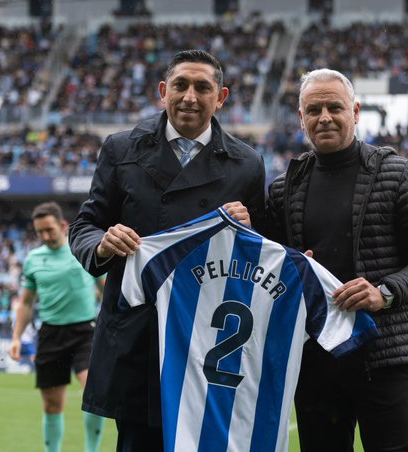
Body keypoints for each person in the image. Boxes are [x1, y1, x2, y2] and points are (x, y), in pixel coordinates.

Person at [68, 49, 266, 451]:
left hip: (209, 345)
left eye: (202, 88)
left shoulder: (247, 164)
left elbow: (262, 256)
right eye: (180, 85)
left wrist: (251, 230)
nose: (190, 96)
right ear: (163, 91)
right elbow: (84, 226)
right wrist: (103, 244)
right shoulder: (121, 149)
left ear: (221, 97)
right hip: (139, 339)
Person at [265, 68, 408, 452]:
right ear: (301, 118)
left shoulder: (400, 174)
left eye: (334, 107)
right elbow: (269, 265)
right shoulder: (285, 188)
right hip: (317, 356)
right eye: (313, 110)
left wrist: (384, 293)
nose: (324, 117)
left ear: (355, 111)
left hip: (384, 354)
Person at [9, 201, 105, 452]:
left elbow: (107, 290)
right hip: (51, 334)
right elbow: (26, 303)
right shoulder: (33, 260)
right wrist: (16, 337)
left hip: (86, 331)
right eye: (39, 231)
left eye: (49, 230)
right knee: (52, 405)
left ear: (63, 225)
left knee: (94, 394)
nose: (44, 236)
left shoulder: (82, 251)